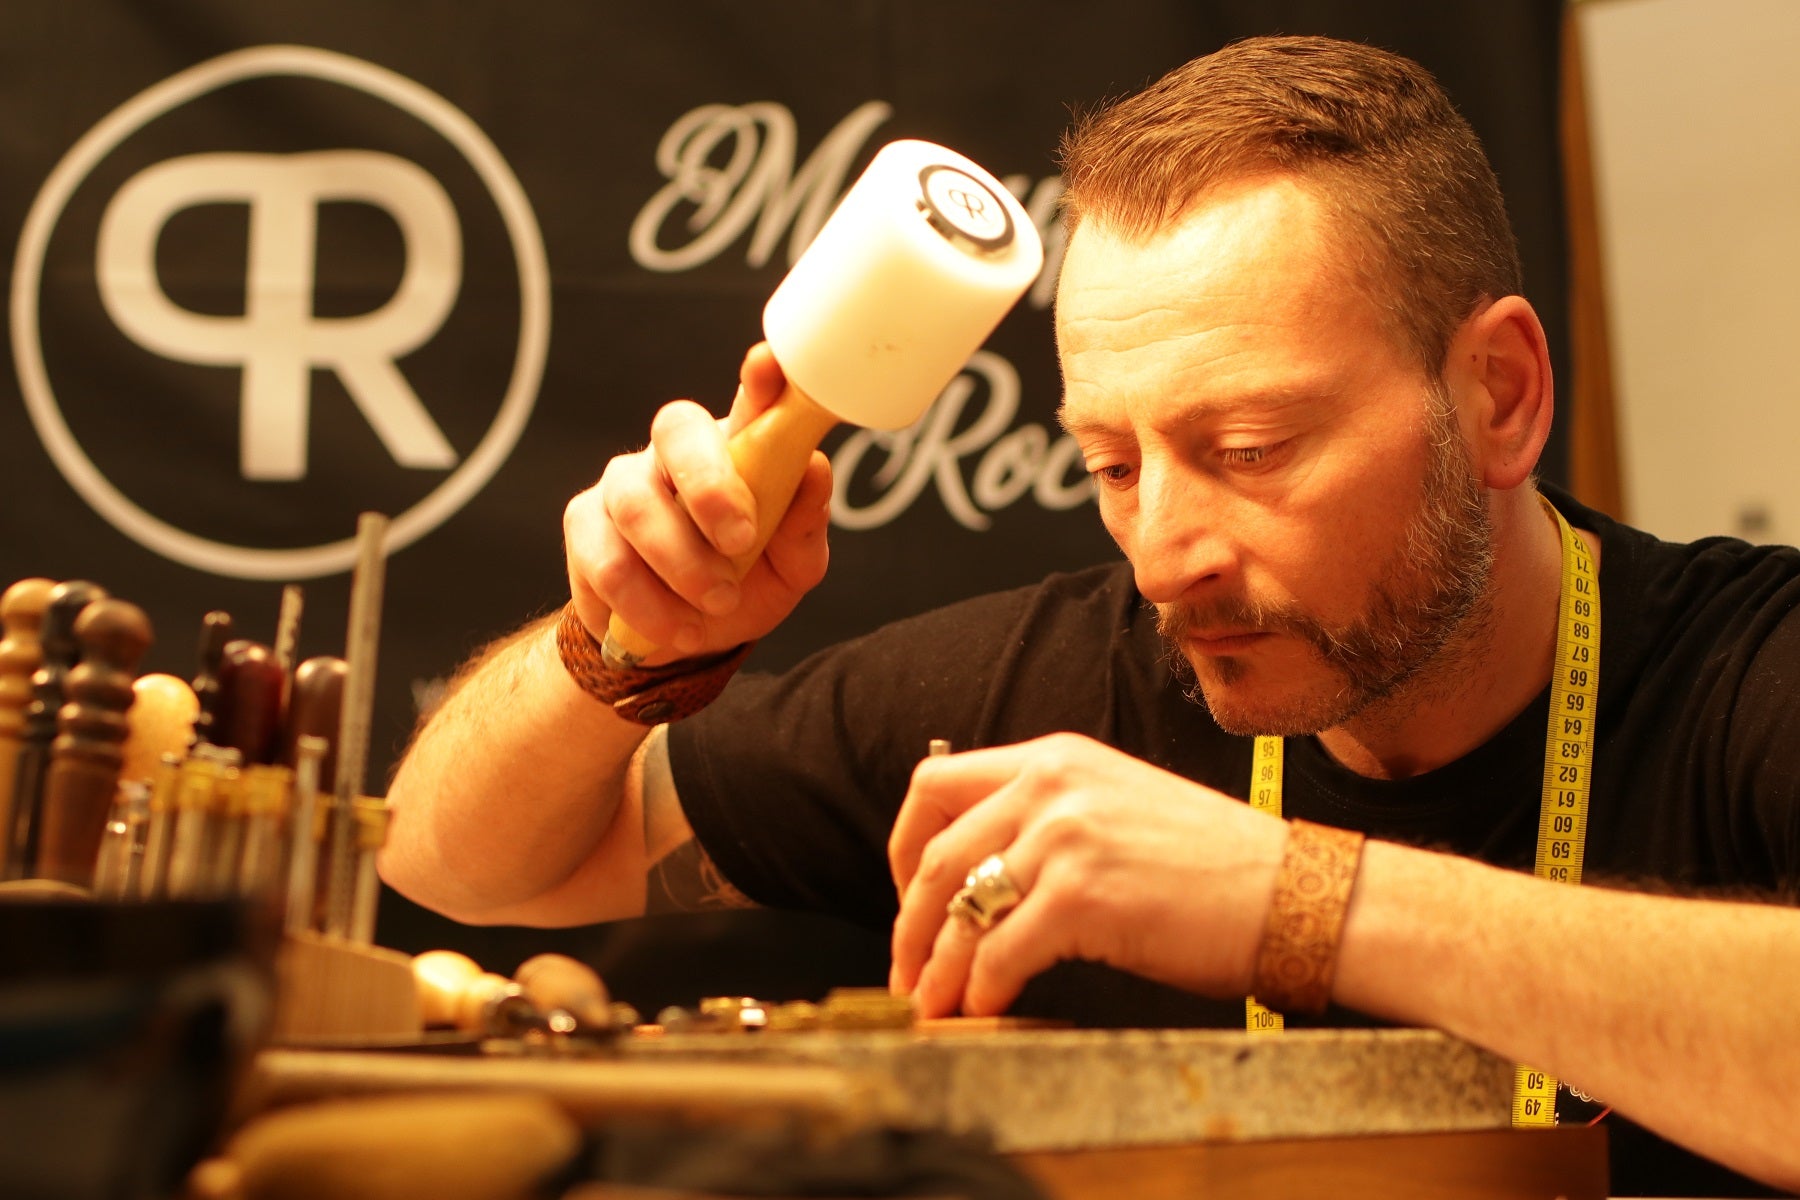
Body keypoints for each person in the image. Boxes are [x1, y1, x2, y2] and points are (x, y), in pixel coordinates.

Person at [381, 35, 1800, 1196]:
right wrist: (615, 648)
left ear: (1497, 395)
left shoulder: (1752, 674)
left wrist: (1289, 897)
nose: (1165, 553)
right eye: (1112, 466)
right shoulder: (1038, 686)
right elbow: (463, 867)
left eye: (1251, 449)